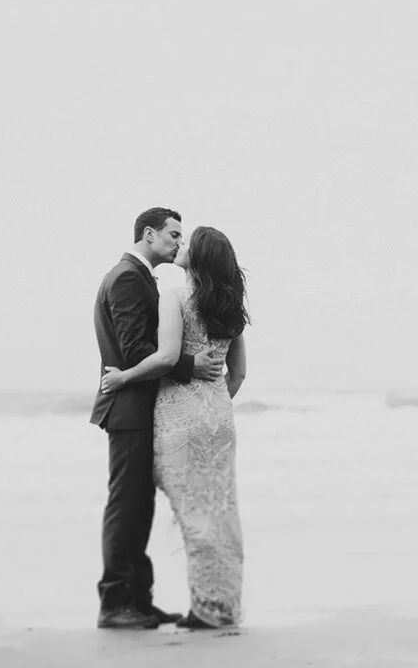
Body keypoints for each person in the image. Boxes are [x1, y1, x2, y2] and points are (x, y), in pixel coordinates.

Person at [101, 225, 249, 629]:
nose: (181, 246)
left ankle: (205, 610)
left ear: (198, 259)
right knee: (221, 511)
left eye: (188, 244)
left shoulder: (176, 297)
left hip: (178, 419)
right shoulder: (232, 309)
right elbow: (237, 375)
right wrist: (213, 404)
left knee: (192, 513)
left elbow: (166, 358)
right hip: (219, 419)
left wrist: (124, 378)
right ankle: (224, 605)